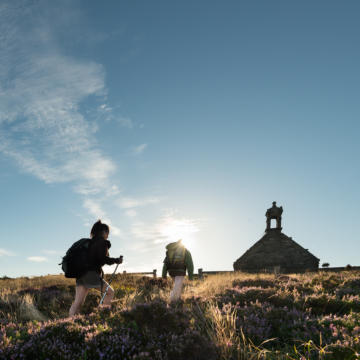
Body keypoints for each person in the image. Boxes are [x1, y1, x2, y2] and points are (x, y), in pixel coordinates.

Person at [69, 220, 122, 316]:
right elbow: (103, 258)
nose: (108, 235)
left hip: (80, 274)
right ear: (104, 232)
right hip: (91, 274)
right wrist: (116, 260)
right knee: (110, 292)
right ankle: (104, 316)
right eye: (107, 233)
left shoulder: (90, 243)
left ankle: (69, 323)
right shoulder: (102, 242)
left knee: (78, 303)